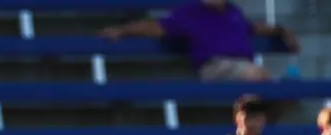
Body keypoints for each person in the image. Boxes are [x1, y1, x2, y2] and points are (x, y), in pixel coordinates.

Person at [102, 0, 298, 82]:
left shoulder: (232, 11)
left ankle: (259, 126)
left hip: (243, 66)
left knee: (288, 92)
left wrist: (282, 30)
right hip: (215, 66)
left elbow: (253, 28)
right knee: (258, 74)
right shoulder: (190, 12)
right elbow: (155, 26)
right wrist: (122, 30)